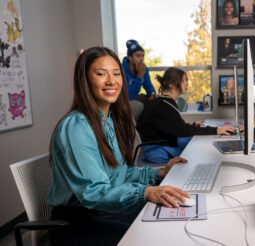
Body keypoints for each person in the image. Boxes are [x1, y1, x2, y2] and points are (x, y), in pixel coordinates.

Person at [46, 47, 190, 246]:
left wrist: (161, 174)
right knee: (154, 236)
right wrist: (146, 192)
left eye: (116, 73)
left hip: (106, 210)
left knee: (168, 221)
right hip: (78, 223)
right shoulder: (76, 127)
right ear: (85, 80)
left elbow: (123, 173)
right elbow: (93, 192)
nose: (111, 81)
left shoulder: (110, 120)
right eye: (100, 74)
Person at [137, 67, 236, 164]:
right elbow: (182, 130)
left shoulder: (163, 101)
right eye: (183, 81)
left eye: (186, 80)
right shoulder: (164, 104)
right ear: (171, 84)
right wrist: (216, 130)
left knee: (197, 141)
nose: (187, 84)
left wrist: (193, 125)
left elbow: (173, 126)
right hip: (159, 151)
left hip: (162, 145)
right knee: (199, 149)